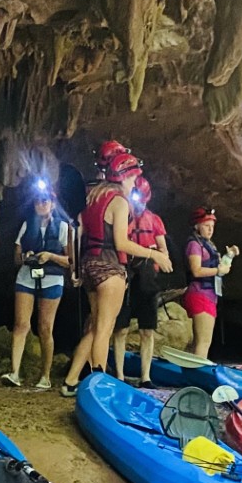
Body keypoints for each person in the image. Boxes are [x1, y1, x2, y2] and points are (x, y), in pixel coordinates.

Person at [61, 148, 170, 398]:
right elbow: (121, 243)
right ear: (122, 176)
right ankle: (99, 386)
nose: (134, 182)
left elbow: (75, 234)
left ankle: (70, 382)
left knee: (93, 329)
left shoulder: (92, 197)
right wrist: (154, 254)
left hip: (90, 266)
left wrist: (76, 269)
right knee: (104, 329)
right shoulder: (118, 201)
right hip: (110, 267)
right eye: (132, 177)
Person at [2, 186, 73, 389]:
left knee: (45, 327)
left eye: (45, 200)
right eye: (37, 201)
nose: (40, 204)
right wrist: (25, 257)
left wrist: (50, 256)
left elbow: (70, 260)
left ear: (52, 203)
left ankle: (45, 375)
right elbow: (16, 256)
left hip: (52, 277)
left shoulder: (62, 227)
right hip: (27, 276)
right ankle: (14, 372)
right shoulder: (26, 225)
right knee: (21, 324)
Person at [111, 176, 172, 385]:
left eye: (142, 201)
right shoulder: (121, 215)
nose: (139, 205)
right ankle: (119, 374)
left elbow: (163, 249)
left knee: (147, 329)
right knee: (121, 328)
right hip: (127, 273)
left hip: (147, 278)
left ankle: (145, 377)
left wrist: (157, 256)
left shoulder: (154, 220)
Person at [182, 207, 238, 361]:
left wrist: (229, 256)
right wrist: (217, 270)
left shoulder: (209, 245)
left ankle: (191, 375)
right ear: (197, 226)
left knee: (199, 343)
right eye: (206, 226)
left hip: (209, 295)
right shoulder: (195, 245)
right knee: (203, 342)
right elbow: (196, 270)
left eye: (212, 226)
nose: (210, 229)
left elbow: (219, 268)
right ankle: (196, 377)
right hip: (200, 294)